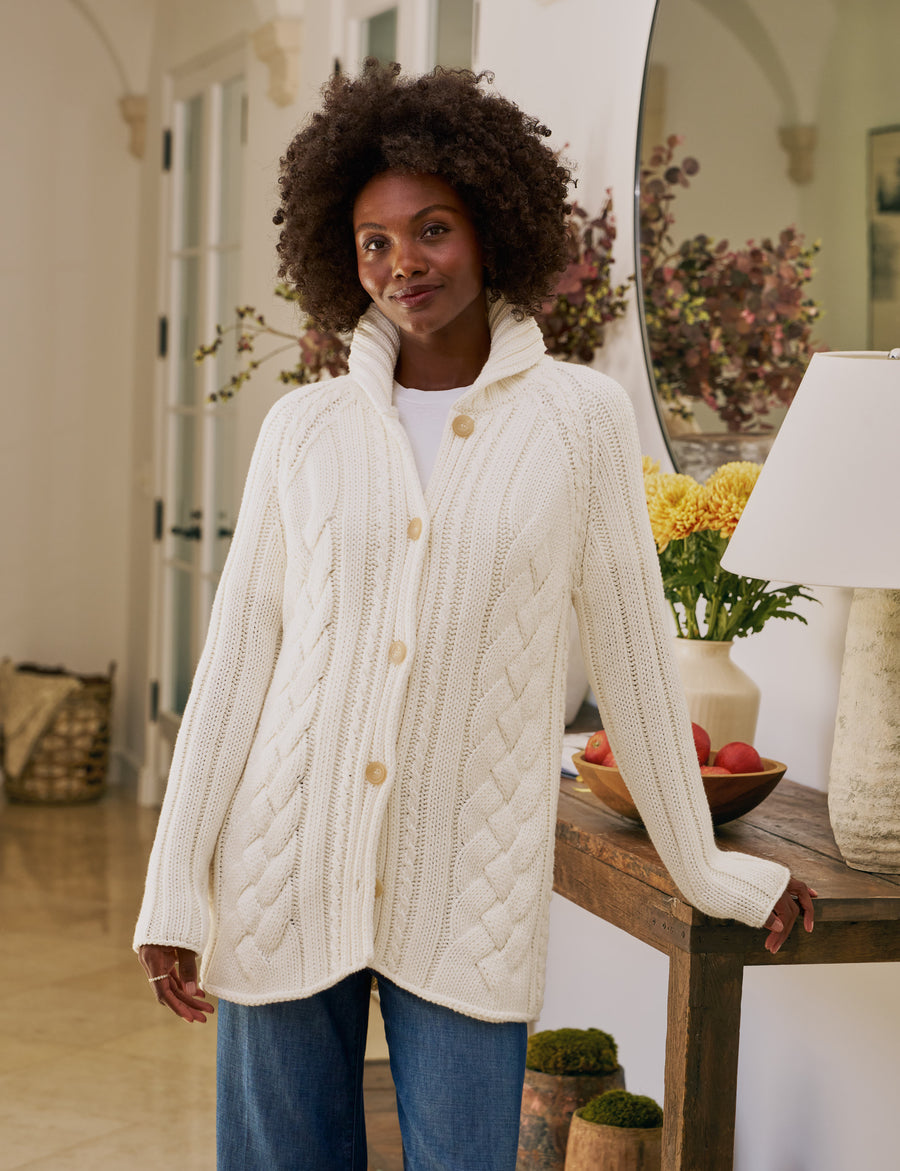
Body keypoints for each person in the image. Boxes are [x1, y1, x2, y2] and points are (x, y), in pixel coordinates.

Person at [135, 61, 815, 1171]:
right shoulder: (300, 433)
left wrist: (710, 871)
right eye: (374, 242)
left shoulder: (579, 422)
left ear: (493, 225)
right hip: (280, 866)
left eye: (432, 228)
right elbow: (235, 671)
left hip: (470, 887)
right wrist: (175, 886)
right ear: (341, 257)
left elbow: (640, 664)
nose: (404, 263)